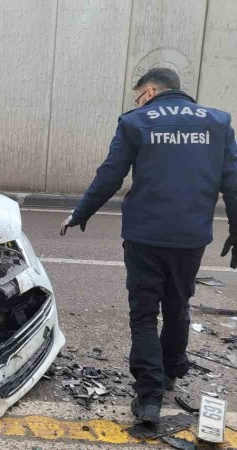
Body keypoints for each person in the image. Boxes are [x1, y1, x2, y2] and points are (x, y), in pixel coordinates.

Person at [58, 67, 237, 424]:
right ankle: (171, 371)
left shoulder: (136, 122)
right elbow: (232, 183)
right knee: (178, 305)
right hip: (190, 237)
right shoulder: (217, 122)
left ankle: (149, 398)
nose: (138, 102)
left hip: (145, 236)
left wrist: (81, 212)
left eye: (139, 96)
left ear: (151, 92)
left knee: (143, 315)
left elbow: (110, 175)